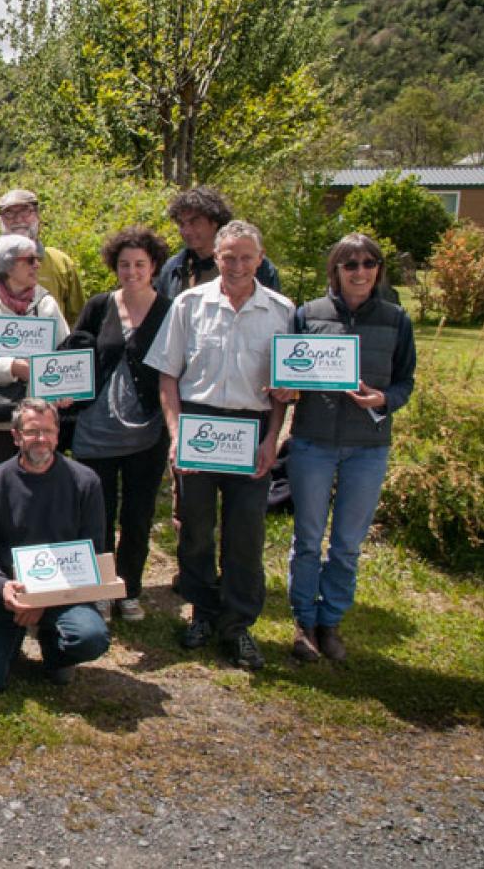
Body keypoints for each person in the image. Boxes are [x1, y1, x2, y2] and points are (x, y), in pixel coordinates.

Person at [145, 220, 293, 670]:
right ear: (217, 258)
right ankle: (202, 613)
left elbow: (284, 389)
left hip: (252, 430)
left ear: (260, 260)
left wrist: (273, 439)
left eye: (246, 257)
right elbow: (167, 375)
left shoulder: (282, 311)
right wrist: (176, 436)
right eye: (229, 257)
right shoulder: (190, 304)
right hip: (199, 428)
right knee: (195, 530)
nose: (237, 265)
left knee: (246, 533)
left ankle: (237, 624)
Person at [280, 234, 415, 663]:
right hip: (313, 442)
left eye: (369, 263)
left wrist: (384, 399)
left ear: (379, 269)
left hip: (367, 447)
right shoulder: (309, 315)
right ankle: (303, 621)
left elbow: (405, 381)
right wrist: (285, 387)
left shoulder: (396, 320)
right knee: (307, 537)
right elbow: (288, 371)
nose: (360, 271)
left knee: (347, 543)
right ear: (335, 270)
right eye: (350, 264)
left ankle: (330, 620)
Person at [0, 400, 110, 695]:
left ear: (57, 434)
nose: (40, 439)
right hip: (9, 595)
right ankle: (11, 637)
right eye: (32, 431)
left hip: (67, 592)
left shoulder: (85, 482)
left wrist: (43, 600)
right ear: (16, 436)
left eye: (48, 431)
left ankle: (54, 648)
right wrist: (3, 587)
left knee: (90, 637)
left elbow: (92, 552)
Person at [63, 227, 173, 622]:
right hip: (96, 430)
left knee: (138, 515)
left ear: (154, 266)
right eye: (124, 264)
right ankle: (101, 590)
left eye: (140, 264)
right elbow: (71, 353)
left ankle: (130, 589)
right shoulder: (98, 305)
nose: (131, 272)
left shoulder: (170, 310)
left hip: (148, 433)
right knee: (99, 515)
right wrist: (60, 390)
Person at [0, 233, 71, 486]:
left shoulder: (47, 306)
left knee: (38, 495)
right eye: (29, 260)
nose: (37, 265)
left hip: (37, 424)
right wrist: (12, 368)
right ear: (8, 266)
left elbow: (66, 358)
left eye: (37, 259)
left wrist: (66, 389)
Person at [0, 189, 86, 325]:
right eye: (9, 213)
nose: (18, 219)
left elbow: (78, 319)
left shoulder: (61, 263)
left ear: (38, 216)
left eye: (25, 211)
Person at [154, 185, 280, 299]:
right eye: (181, 224)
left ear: (214, 222)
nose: (187, 231)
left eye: (194, 222)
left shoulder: (259, 267)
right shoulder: (173, 269)